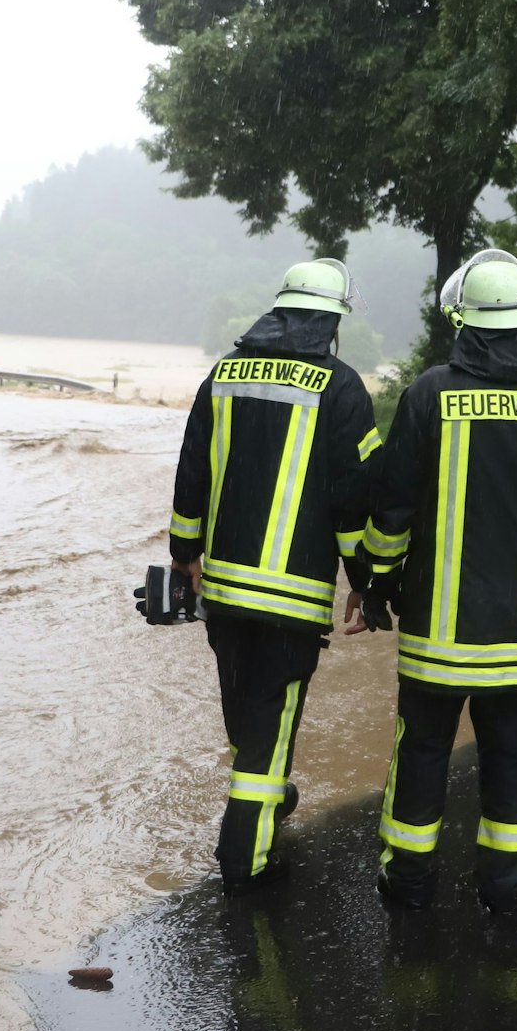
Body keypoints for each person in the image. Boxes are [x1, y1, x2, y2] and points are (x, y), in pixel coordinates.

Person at [356, 248, 517, 915]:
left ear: (468, 323)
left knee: (424, 754)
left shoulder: (431, 393)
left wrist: (376, 585)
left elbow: (392, 510)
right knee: (516, 757)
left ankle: (407, 884)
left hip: (436, 638)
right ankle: (505, 887)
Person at [168, 258, 383, 895]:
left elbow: (192, 470)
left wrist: (185, 551)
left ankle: (264, 800)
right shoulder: (341, 388)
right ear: (333, 323)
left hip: (225, 594)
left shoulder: (223, 374)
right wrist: (365, 581)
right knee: (269, 727)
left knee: (247, 715)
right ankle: (246, 862)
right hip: (292, 599)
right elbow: (355, 498)